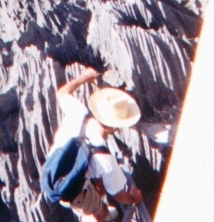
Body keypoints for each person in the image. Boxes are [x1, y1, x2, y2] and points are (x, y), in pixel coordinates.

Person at [50, 66, 144, 222]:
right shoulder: (104, 158)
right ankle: (98, 215)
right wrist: (134, 198)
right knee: (99, 211)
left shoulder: (78, 112)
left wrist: (85, 77)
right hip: (71, 191)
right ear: (115, 126)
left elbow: (62, 93)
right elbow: (118, 194)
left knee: (97, 183)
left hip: (53, 170)